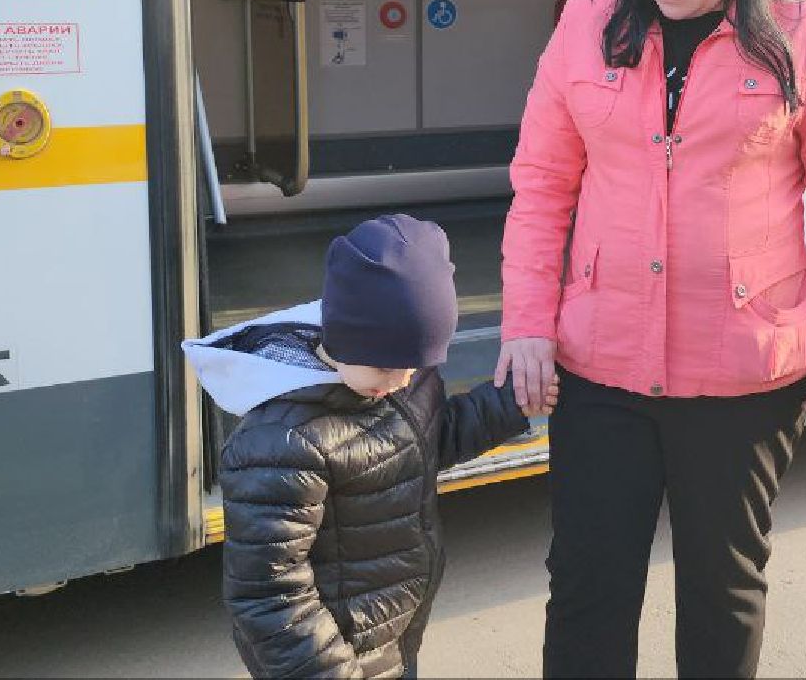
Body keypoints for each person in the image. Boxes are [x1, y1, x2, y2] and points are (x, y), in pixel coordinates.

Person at [495, 0, 806, 679]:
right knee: (587, 586)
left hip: (743, 372)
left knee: (722, 589)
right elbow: (542, 186)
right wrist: (525, 322)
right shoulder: (586, 22)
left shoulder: (803, 35)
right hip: (600, 367)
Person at [182, 214, 550, 679]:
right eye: (385, 368)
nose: (399, 383)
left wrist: (513, 401)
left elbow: (430, 440)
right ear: (342, 337)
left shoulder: (395, 378)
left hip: (389, 639)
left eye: (414, 368)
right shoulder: (280, 442)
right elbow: (269, 597)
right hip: (327, 661)